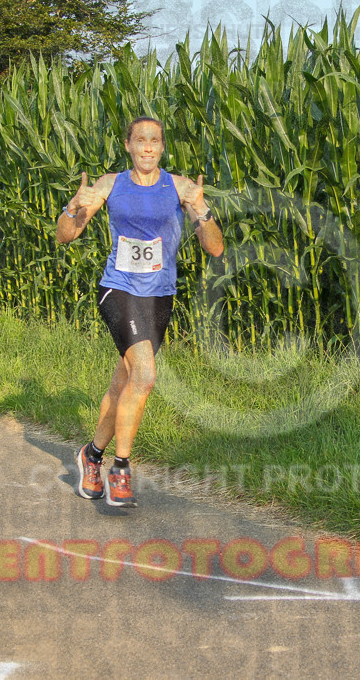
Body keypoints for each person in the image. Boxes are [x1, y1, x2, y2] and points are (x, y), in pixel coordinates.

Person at [55, 116, 224, 508]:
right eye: (140, 141)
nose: (148, 148)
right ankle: (121, 470)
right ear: (128, 145)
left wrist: (202, 211)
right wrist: (72, 207)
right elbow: (66, 235)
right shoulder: (110, 184)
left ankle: (91, 455)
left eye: (155, 141)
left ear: (162, 147)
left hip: (159, 296)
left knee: (125, 382)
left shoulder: (180, 187)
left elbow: (215, 248)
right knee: (146, 375)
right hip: (118, 289)